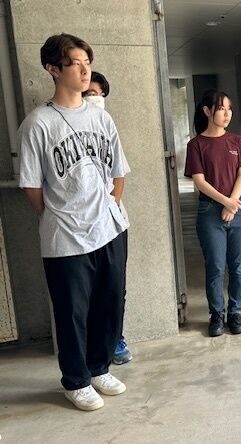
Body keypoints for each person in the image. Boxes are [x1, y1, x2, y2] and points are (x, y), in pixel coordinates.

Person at [18, 33, 129, 411]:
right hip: (65, 236)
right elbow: (31, 186)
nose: (84, 71)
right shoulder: (38, 123)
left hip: (110, 229)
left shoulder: (101, 117)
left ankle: (99, 368)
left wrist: (110, 206)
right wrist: (59, 215)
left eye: (87, 63)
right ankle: (76, 380)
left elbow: (118, 170)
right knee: (72, 312)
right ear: (52, 69)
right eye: (75, 63)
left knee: (110, 304)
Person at [184, 90, 241, 337]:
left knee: (238, 266)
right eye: (221, 108)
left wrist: (232, 204)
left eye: (229, 108)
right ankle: (216, 314)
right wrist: (225, 202)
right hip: (209, 212)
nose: (227, 114)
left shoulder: (237, 142)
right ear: (207, 111)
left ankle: (235, 312)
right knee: (215, 266)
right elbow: (199, 182)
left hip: (239, 212)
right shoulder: (196, 145)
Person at [82, 71, 132, 365]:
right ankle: (92, 346)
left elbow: (119, 174)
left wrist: (111, 207)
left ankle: (116, 339)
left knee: (115, 287)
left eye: (100, 95)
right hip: (78, 227)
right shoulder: (56, 125)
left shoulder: (107, 127)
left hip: (113, 222)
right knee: (87, 291)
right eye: (90, 94)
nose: (96, 100)